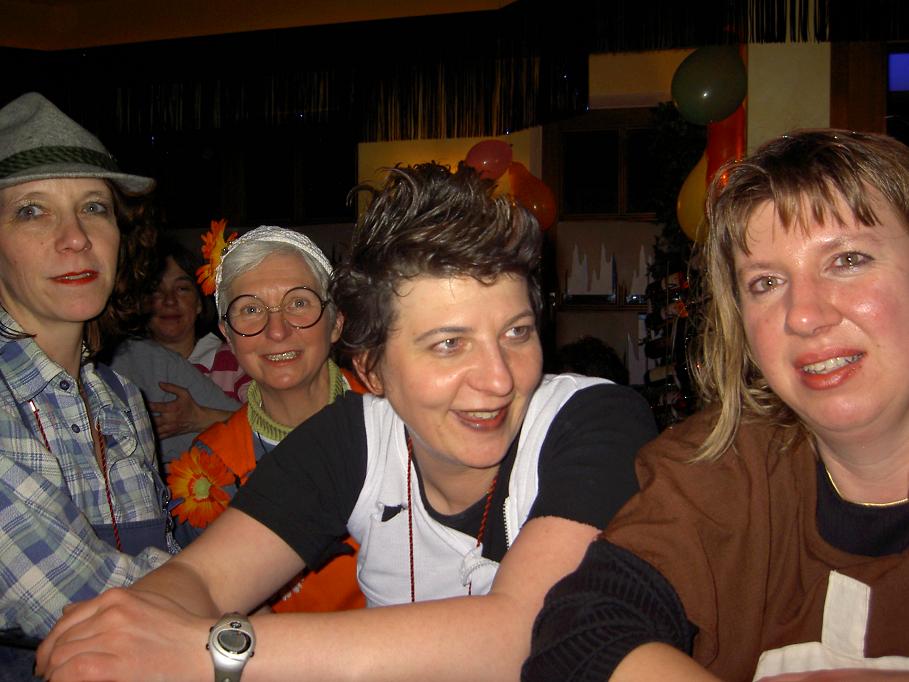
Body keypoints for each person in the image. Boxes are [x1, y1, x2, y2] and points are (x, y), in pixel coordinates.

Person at [36, 162, 656, 681]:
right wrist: (124, 632)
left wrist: (215, 652)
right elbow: (199, 577)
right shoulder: (353, 437)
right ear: (372, 369)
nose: (498, 379)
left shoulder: (593, 419)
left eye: (516, 333)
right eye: (449, 344)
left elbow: (526, 631)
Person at [522, 130, 909, 681]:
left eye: (847, 260)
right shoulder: (720, 470)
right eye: (766, 281)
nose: (803, 315)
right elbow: (576, 640)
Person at [0, 92, 176, 676]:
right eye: (32, 210)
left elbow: (163, 559)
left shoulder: (121, 399)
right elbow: (88, 604)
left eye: (94, 207)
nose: (75, 237)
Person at [167, 225, 365, 611]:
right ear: (227, 335)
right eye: (251, 310)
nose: (276, 331)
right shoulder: (206, 470)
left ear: (336, 322)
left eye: (299, 303)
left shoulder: (403, 422)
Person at [147, 235, 251, 402]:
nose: (170, 300)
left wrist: (203, 415)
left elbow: (268, 415)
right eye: (156, 290)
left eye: (182, 289)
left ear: (199, 303)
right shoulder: (126, 366)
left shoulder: (234, 360)